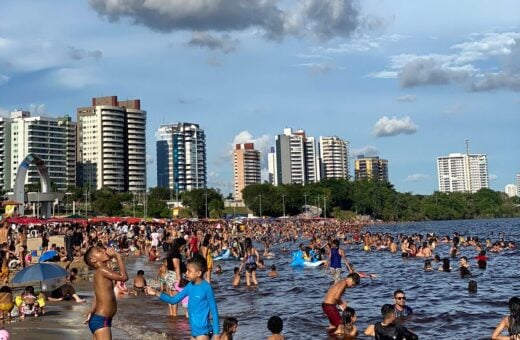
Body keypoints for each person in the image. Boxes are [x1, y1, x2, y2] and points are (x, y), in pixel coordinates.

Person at [146, 255, 220, 340]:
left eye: (189, 271)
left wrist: (216, 334)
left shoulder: (206, 288)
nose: (186, 273)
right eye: (186, 270)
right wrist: (156, 292)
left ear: (198, 273)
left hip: (204, 332)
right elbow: (173, 300)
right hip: (193, 332)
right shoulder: (190, 286)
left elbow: (214, 311)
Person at [83, 246, 128, 340]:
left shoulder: (100, 271)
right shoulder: (102, 270)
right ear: (93, 259)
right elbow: (124, 277)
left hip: (99, 319)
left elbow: (97, 295)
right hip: (101, 320)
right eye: (99, 251)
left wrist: (92, 311)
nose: (104, 250)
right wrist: (117, 256)